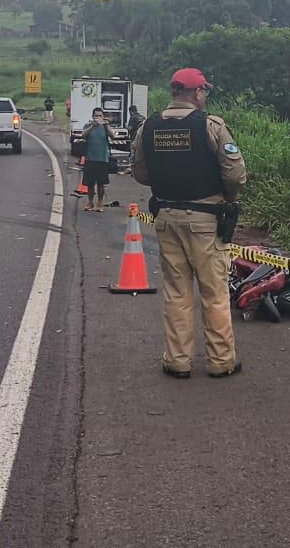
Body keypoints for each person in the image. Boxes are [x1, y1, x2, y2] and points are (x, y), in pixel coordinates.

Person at [132, 67, 246, 379]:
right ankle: (221, 362)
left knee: (176, 293)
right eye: (204, 91)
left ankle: (177, 361)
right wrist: (228, 197)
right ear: (196, 93)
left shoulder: (148, 127)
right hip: (207, 221)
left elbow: (140, 173)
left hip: (166, 219)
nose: (205, 96)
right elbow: (235, 173)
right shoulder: (211, 125)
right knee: (214, 294)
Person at [81, 110, 114, 212]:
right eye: (96, 116)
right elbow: (83, 135)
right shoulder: (88, 125)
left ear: (103, 116)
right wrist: (92, 126)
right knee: (90, 183)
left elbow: (113, 136)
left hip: (102, 159)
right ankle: (90, 202)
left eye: (100, 116)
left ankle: (100, 203)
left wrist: (106, 125)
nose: (98, 117)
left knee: (101, 183)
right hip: (90, 158)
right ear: (92, 116)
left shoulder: (105, 126)